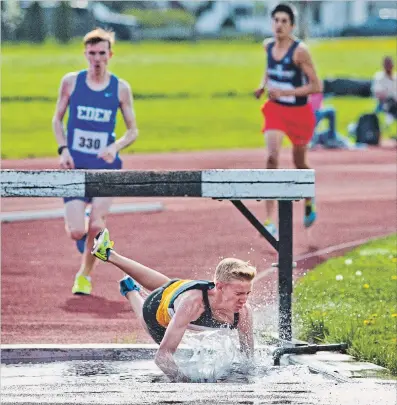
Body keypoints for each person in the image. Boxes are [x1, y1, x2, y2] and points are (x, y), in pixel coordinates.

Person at [91, 228, 256, 382]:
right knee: (148, 317)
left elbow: (249, 360)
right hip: (155, 309)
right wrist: (188, 384)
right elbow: (162, 357)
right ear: (219, 286)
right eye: (238, 294)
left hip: (177, 288)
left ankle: (109, 254)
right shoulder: (192, 305)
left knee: (167, 285)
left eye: (247, 293)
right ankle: (131, 291)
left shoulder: (244, 312)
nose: (244, 300)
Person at [52, 28, 139, 295]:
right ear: (85, 53)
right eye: (92, 53)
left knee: (98, 225)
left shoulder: (120, 88)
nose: (97, 58)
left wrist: (115, 146)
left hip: (105, 167)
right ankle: (86, 232)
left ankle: (84, 276)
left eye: (102, 53)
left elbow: (132, 130)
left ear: (110, 55)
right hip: (75, 167)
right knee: (77, 231)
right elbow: (57, 119)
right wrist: (63, 149)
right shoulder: (71, 82)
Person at [254, 3, 322, 236]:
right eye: (276, 20)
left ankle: (309, 198)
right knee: (272, 158)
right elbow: (269, 69)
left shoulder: (300, 51)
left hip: (299, 114)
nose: (279, 25)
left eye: (284, 21)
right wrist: (262, 86)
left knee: (299, 163)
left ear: (292, 26)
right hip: (275, 110)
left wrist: (286, 93)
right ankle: (269, 220)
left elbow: (316, 86)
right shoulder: (268, 45)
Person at [372, 56, 397, 122]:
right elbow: (378, 94)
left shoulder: (395, 77)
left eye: (390, 64)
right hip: (384, 104)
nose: (389, 66)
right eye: (387, 64)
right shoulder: (379, 77)